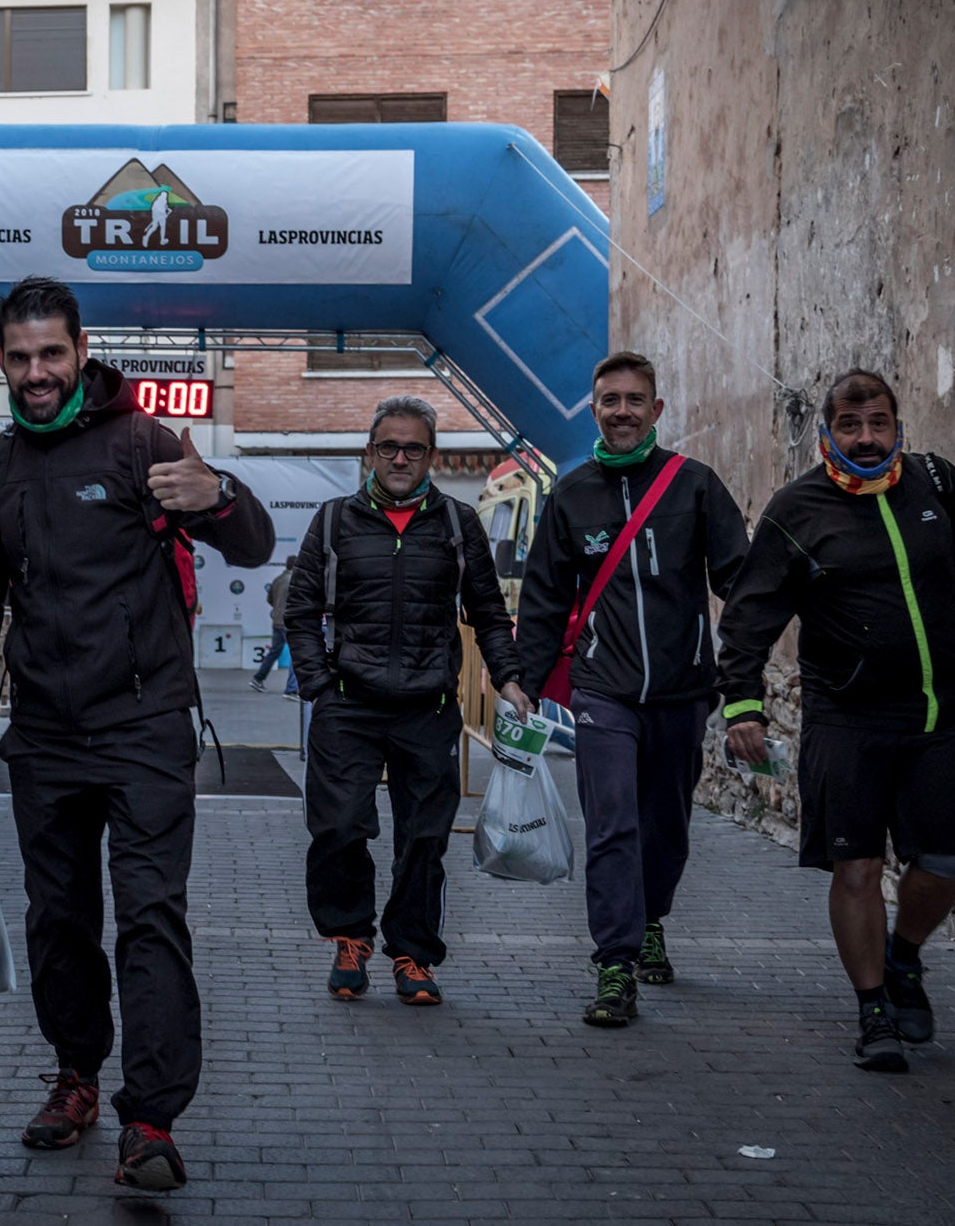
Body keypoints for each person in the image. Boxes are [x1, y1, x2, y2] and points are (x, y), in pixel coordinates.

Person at [0, 276, 274, 1191]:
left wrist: (221, 490)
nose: (37, 372)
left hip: (147, 726)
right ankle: (77, 1072)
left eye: (52, 354)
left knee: (151, 915)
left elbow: (253, 544)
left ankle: (151, 1118)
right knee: (60, 920)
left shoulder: (144, 443)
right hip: (43, 736)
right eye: (20, 356)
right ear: (1, 358)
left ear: (82, 351)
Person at [717, 368, 955, 1072]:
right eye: (850, 425)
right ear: (828, 432)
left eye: (878, 422)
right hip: (844, 717)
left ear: (897, 426)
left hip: (934, 714)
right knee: (856, 864)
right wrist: (742, 703)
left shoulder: (936, 485)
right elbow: (750, 614)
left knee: (944, 857)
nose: (865, 438)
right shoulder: (798, 508)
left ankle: (904, 955)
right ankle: (873, 1007)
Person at [513, 352, 749, 1027]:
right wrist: (522, 683)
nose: (622, 410)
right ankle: (615, 962)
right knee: (612, 821)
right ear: (594, 409)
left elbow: (742, 580)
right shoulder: (571, 493)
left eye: (634, 399)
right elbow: (544, 598)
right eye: (610, 399)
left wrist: (745, 674)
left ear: (656, 410)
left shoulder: (695, 485)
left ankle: (652, 918)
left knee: (665, 828)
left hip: (682, 692)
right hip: (602, 690)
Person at [283, 396, 529, 1007]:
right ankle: (350, 937)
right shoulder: (335, 520)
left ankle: (413, 953)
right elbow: (300, 610)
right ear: (369, 451)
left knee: (424, 837)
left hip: (428, 707)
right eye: (388, 446)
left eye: (412, 448)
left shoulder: (456, 523)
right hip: (348, 705)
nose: (399, 457)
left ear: (430, 457)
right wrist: (318, 684)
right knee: (339, 827)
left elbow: (489, 614)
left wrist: (510, 679)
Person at [249, 560, 300, 697]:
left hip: (277, 621)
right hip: (288, 622)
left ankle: (258, 678)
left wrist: (278, 609)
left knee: (274, 652)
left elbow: (269, 599)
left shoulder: (278, 579)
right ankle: (291, 689)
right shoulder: (294, 581)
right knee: (297, 654)